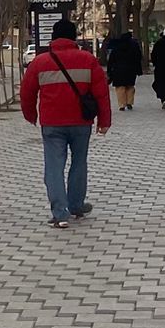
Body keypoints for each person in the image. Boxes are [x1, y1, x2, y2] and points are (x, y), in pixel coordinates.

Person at [19, 18, 112, 229]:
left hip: (52, 124)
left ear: (53, 37)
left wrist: (30, 115)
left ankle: (60, 213)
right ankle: (76, 205)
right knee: (79, 163)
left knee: (54, 167)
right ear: (74, 37)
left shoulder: (40, 62)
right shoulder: (88, 60)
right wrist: (104, 122)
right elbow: (102, 94)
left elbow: (26, 92)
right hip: (81, 122)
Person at [106, 27, 144, 112]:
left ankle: (122, 104)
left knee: (120, 88)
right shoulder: (134, 48)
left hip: (118, 71)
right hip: (131, 70)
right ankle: (129, 102)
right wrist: (139, 70)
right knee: (130, 86)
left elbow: (111, 60)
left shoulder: (116, 48)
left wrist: (109, 70)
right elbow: (138, 59)